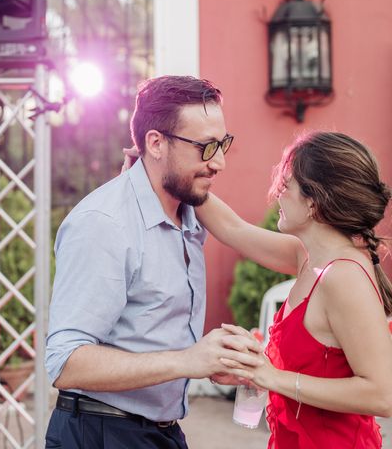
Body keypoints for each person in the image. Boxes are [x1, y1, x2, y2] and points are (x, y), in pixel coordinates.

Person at [44, 75, 263, 449]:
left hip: (159, 432)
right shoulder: (104, 224)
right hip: (100, 433)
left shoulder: (190, 212)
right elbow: (64, 362)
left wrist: (214, 361)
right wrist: (188, 360)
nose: (220, 162)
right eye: (206, 147)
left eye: (223, 143)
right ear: (156, 143)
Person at [195, 131, 392, 448]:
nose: (276, 195)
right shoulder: (307, 257)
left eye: (286, 185)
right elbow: (232, 229)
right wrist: (172, 169)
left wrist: (272, 377)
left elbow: (383, 394)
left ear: (313, 201)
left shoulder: (343, 277)